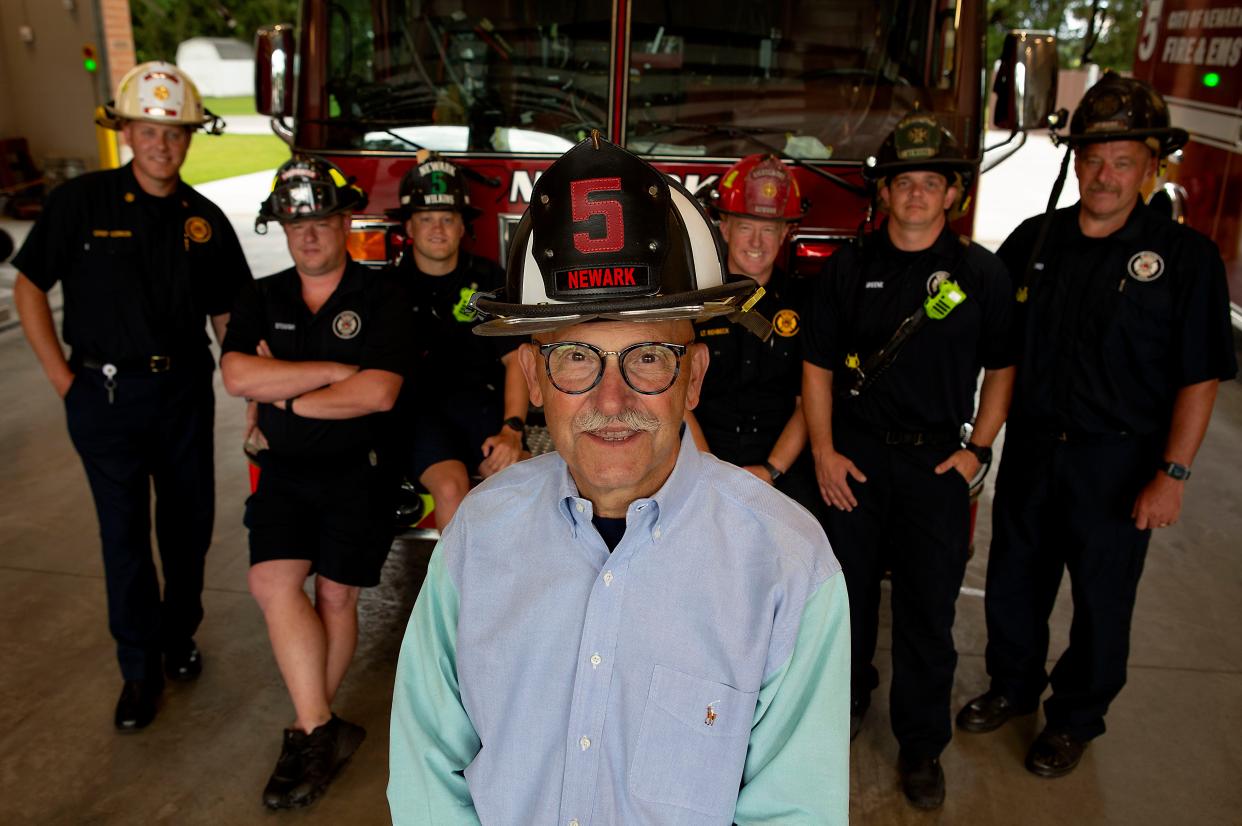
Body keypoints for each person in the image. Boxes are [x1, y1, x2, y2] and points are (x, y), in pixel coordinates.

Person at [388, 134, 850, 825]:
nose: (611, 401)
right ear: (537, 381)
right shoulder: (477, 536)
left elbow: (796, 812)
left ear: (693, 379)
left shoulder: (789, 565)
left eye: (649, 358)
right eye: (576, 357)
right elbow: (427, 772)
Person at [956, 71, 1237, 778]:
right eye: (1092, 159)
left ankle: (1075, 720)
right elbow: (979, 326)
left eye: (1121, 161)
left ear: (1151, 165)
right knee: (1016, 584)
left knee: (1102, 605)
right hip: (1033, 455)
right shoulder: (1034, 239)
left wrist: (1171, 476)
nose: (1104, 175)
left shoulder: (1185, 259)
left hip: (1120, 465)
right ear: (1075, 161)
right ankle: (1014, 689)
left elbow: (1199, 378)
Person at [11, 61, 248, 731]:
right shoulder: (79, 203)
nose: (161, 144)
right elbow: (30, 286)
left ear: (190, 139)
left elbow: (228, 318)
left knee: (188, 526)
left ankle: (179, 636)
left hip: (180, 393)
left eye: (174, 133)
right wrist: (63, 378)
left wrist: (252, 391)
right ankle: (138, 668)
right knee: (123, 536)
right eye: (149, 129)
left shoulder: (203, 222)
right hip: (102, 396)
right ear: (126, 132)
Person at [802, 112, 1016, 808]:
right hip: (854, 463)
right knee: (847, 605)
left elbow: (1004, 368)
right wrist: (826, 453)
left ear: (952, 194)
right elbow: (818, 367)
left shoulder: (981, 275)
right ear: (884, 194)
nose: (917, 195)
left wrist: (976, 449)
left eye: (932, 182)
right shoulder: (848, 269)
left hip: (935, 468)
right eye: (903, 183)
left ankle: (921, 747)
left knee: (928, 616)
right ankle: (847, 707)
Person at [220, 158, 413, 809]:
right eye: (295, 223)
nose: (308, 235)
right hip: (283, 474)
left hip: (360, 474)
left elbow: (381, 393)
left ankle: (308, 732)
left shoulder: (382, 293)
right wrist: (335, 372)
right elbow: (239, 378)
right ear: (282, 228)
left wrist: (290, 394)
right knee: (271, 581)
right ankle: (321, 730)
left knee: (335, 597)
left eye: (321, 221)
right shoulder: (261, 295)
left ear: (342, 222)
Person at [388, 153, 528, 529]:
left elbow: (516, 359)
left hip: (483, 411)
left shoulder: (489, 280)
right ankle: (454, 590)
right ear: (410, 228)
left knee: (531, 480)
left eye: (448, 219)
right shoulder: (385, 289)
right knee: (451, 488)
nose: (438, 229)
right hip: (418, 417)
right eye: (426, 219)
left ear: (463, 226)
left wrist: (512, 429)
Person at [687, 153, 821, 512]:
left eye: (769, 228)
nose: (757, 241)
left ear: (785, 233)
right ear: (726, 228)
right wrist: (709, 470)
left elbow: (810, 400)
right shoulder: (695, 300)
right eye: (746, 227)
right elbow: (675, 394)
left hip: (781, 467)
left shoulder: (807, 303)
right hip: (700, 462)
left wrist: (770, 471)